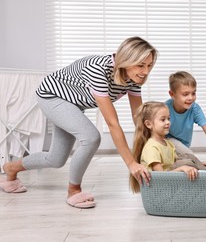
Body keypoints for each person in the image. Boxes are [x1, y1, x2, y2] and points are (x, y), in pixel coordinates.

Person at [0, 36, 156, 208]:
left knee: (56, 159)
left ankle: (11, 168)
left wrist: (155, 143)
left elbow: (138, 118)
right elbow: (112, 123)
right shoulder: (99, 70)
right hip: (52, 97)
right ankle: (74, 191)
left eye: (149, 65)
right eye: (141, 65)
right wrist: (131, 163)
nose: (146, 71)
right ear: (126, 61)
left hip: (72, 104)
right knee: (91, 137)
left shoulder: (133, 78)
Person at [130, 101, 199, 193]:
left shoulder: (168, 144)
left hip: (170, 187)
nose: (168, 122)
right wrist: (182, 169)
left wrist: (202, 164)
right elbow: (161, 177)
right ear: (148, 124)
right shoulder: (152, 148)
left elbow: (177, 163)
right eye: (163, 120)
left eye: (168, 118)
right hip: (159, 191)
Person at [165, 71, 206, 167]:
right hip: (166, 143)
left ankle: (191, 162)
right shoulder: (165, 108)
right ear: (172, 94)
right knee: (190, 157)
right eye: (185, 94)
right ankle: (203, 163)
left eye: (193, 93)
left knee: (185, 162)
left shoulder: (195, 108)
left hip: (183, 148)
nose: (190, 98)